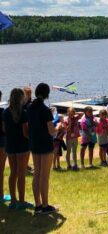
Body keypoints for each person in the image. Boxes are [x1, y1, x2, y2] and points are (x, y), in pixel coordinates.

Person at [27, 83, 60, 214]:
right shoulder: (45, 110)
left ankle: (38, 205)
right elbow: (51, 131)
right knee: (44, 176)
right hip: (45, 145)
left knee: (37, 174)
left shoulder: (30, 107)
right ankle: (46, 206)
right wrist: (59, 127)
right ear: (47, 94)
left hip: (34, 143)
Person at [3, 88, 32, 210]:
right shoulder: (23, 113)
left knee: (13, 173)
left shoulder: (5, 112)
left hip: (10, 145)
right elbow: (25, 133)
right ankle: (21, 201)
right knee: (21, 174)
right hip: (22, 146)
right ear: (21, 98)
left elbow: (4, 129)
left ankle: (13, 201)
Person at [0, 90, 8, 203]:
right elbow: (4, 129)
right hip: (1, 142)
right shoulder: (2, 112)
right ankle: (0, 195)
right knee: (0, 169)